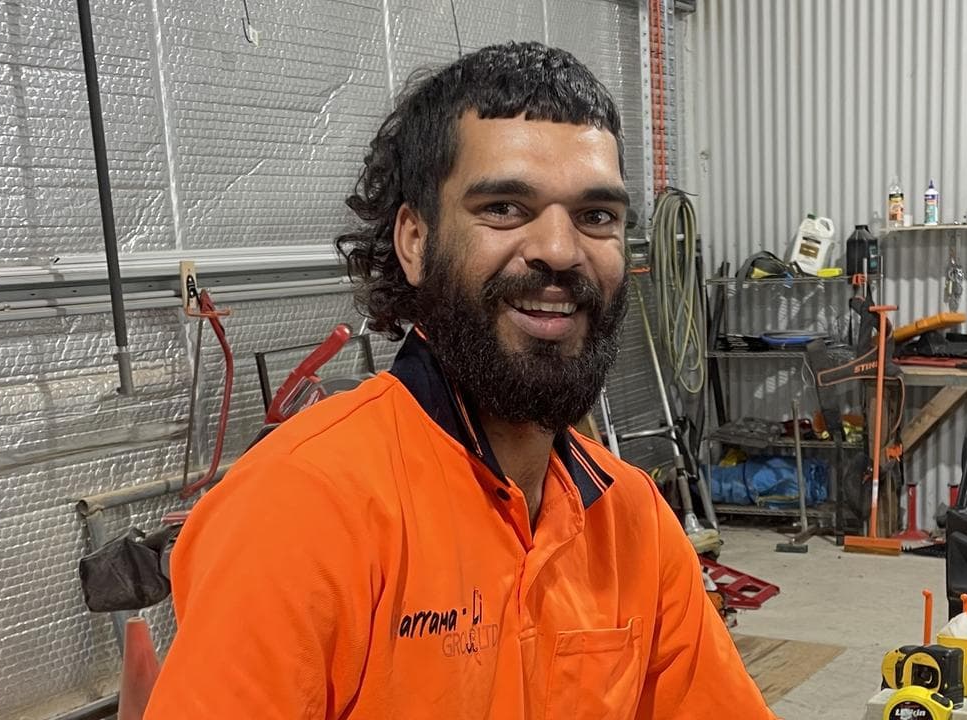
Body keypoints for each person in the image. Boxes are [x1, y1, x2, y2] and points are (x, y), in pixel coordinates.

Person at [146, 42, 776, 720]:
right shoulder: (301, 509)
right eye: (504, 207)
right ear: (415, 243)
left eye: (596, 216)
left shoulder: (632, 521)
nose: (560, 250)